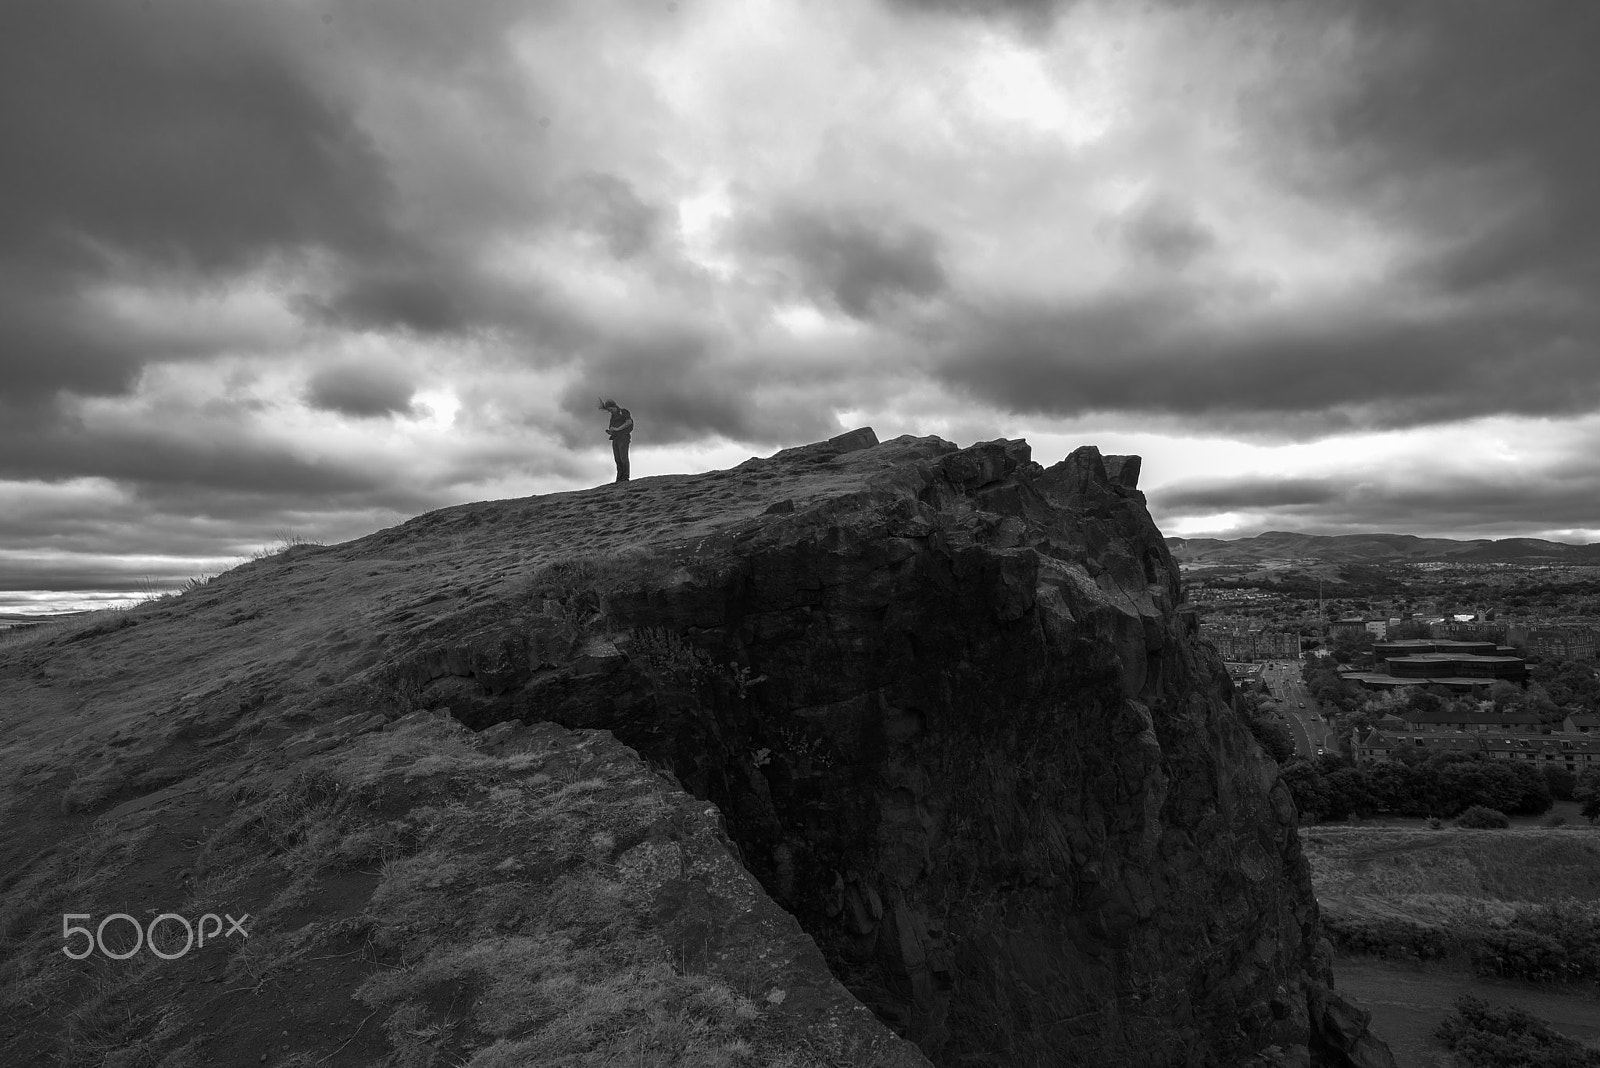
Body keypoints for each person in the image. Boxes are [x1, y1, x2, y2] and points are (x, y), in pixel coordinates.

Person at [599, 397, 633, 482]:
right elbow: (612, 427)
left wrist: (618, 429)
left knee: (623, 457)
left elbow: (629, 422)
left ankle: (625, 476)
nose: (610, 411)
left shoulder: (623, 411)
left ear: (614, 406)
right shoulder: (613, 416)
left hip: (623, 437)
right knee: (617, 459)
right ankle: (619, 477)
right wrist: (610, 431)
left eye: (610, 409)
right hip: (615, 438)